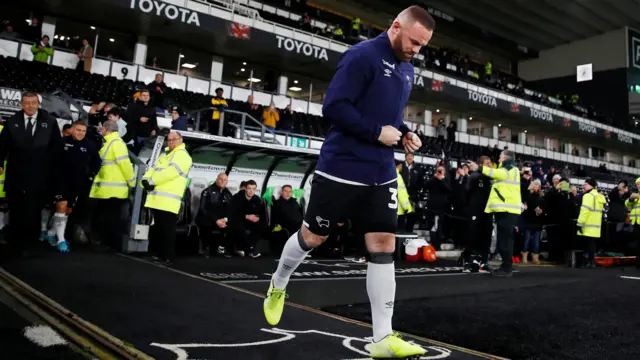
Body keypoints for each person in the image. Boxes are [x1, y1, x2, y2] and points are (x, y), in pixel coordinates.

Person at [263, 6, 434, 358]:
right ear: (396, 26)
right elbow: (334, 107)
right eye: (414, 42)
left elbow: (391, 117)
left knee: (384, 243)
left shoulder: (407, 68)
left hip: (381, 172)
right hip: (341, 167)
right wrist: (376, 132)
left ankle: (382, 338)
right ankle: (279, 282)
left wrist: (404, 133)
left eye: (422, 45)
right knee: (313, 237)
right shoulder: (362, 56)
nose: (416, 50)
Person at [0, 91, 64, 257]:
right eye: (26, 103)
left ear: (38, 104)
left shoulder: (50, 122)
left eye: (33, 102)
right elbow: (2, 146)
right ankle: (14, 244)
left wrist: (47, 165)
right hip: (16, 174)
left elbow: (57, 147)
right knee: (15, 210)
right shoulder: (12, 121)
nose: (30, 106)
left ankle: (30, 245)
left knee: (33, 211)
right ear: (21, 104)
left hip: (39, 176)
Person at [41, 120, 100, 252]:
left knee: (67, 210)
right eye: (78, 130)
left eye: (83, 131)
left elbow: (97, 162)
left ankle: (51, 233)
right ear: (72, 130)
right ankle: (61, 240)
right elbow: (49, 159)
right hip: (60, 181)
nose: (81, 133)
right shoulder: (61, 142)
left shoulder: (89, 145)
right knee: (61, 206)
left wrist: (91, 175)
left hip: (78, 183)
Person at [141, 131, 193, 264]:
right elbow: (152, 169)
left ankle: (168, 256)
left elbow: (169, 173)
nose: (171, 142)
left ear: (180, 140)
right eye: (169, 140)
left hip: (169, 200)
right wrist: (145, 180)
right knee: (159, 228)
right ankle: (159, 254)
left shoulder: (183, 155)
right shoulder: (165, 155)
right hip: (157, 198)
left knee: (167, 230)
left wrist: (151, 181)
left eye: (174, 140)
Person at [467, 150, 521, 277]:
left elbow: (496, 174)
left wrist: (479, 168)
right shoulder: (507, 169)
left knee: (505, 240)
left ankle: (506, 268)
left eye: (500, 156)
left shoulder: (510, 168)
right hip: (505, 209)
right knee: (504, 239)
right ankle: (505, 266)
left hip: (507, 209)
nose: (498, 158)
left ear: (506, 157)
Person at [89, 120, 135, 250]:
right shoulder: (111, 143)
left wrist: (131, 181)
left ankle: (111, 244)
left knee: (111, 219)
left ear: (105, 129)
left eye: (102, 128)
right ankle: (107, 243)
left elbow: (125, 165)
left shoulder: (115, 144)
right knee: (108, 218)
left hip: (113, 190)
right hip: (109, 190)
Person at [460, 156, 493, 272]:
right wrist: (470, 209)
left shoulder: (492, 178)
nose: (489, 164)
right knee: (473, 236)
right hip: (476, 211)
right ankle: (466, 259)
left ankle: (483, 261)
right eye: (487, 162)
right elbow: (467, 192)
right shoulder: (475, 176)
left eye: (490, 162)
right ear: (480, 164)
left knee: (486, 237)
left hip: (488, 211)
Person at [576, 178, 606, 268]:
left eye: (585, 184)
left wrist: (579, 223)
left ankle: (586, 262)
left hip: (587, 226)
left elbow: (584, 211)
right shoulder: (599, 197)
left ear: (591, 185)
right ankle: (591, 262)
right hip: (596, 227)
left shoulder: (588, 196)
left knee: (586, 245)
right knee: (592, 245)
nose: (583, 186)